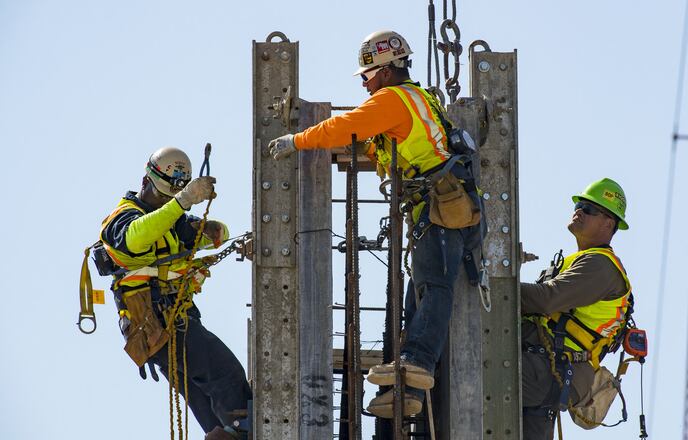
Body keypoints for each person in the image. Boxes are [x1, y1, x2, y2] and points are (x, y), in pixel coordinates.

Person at [268, 30, 484, 419]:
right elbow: (374, 142)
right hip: (439, 205)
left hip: (439, 206)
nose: (365, 83)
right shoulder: (417, 99)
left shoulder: (392, 100)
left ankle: (415, 364)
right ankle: (406, 389)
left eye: (367, 75)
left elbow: (344, 128)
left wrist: (298, 140)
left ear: (385, 71)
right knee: (417, 300)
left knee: (433, 289)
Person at [99, 146, 252, 440]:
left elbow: (212, 235)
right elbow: (137, 238)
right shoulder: (122, 220)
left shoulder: (170, 219)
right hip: (158, 322)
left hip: (169, 323)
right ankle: (244, 431)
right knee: (225, 373)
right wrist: (181, 202)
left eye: (171, 199)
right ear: (145, 182)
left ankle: (225, 434)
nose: (167, 205)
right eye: (163, 197)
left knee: (201, 395)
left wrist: (214, 232)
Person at [519, 178, 633, 439]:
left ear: (609, 224)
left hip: (553, 368)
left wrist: (494, 288)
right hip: (544, 364)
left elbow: (546, 299)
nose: (579, 211)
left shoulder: (601, 267)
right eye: (579, 204)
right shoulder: (579, 261)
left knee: (463, 367)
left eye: (590, 209)